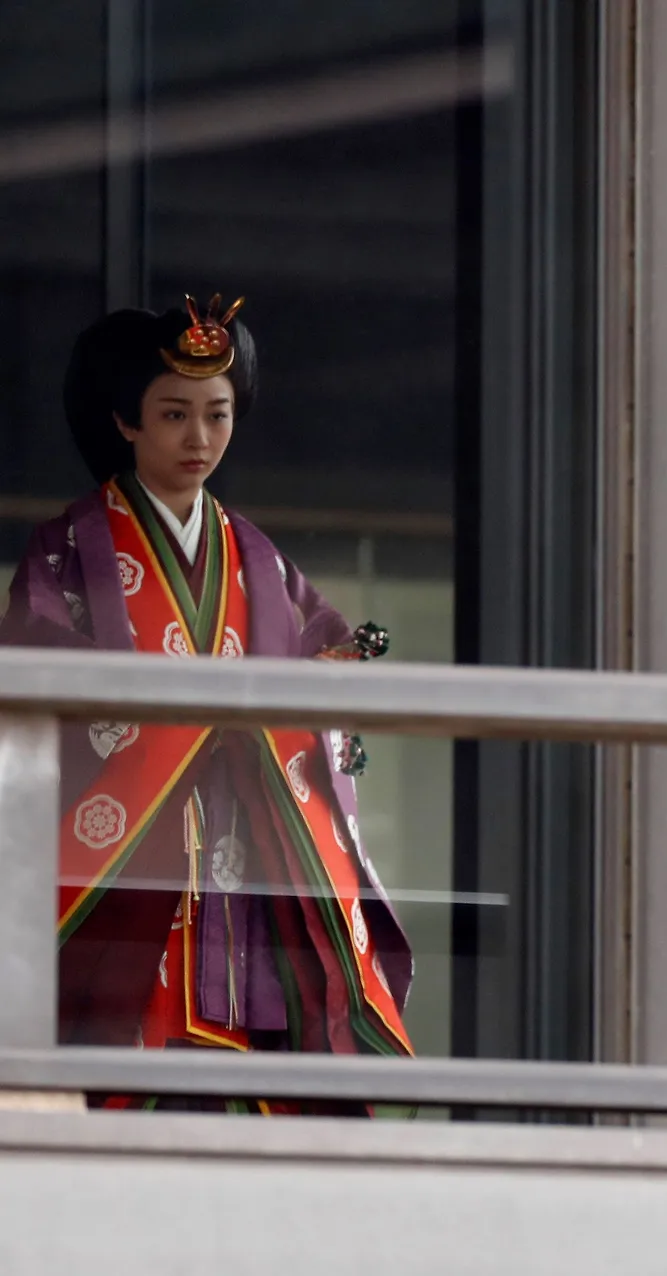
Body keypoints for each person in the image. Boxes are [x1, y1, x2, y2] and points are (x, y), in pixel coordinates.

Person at [0, 296, 413, 1110]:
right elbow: (37, 666)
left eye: (217, 415)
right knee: (125, 1064)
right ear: (125, 422)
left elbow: (316, 650)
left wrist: (326, 680)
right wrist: (190, 723)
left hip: (243, 848)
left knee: (249, 1056)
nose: (198, 439)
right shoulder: (69, 549)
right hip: (132, 859)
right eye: (174, 415)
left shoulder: (256, 556)